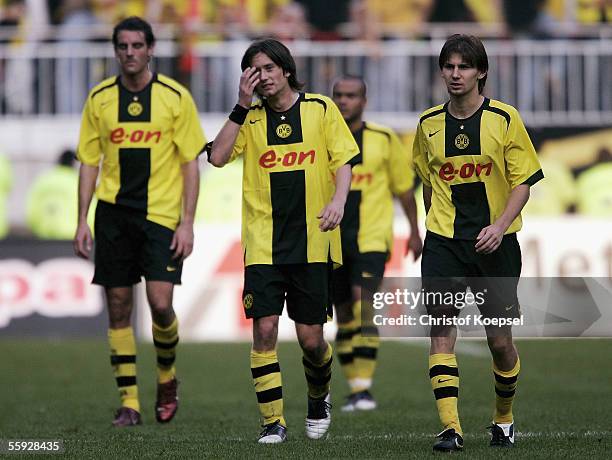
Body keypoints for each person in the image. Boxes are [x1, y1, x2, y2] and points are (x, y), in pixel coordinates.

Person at [208, 38, 359, 443]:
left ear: (286, 70)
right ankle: (273, 421)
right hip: (263, 243)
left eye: (270, 68)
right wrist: (240, 104)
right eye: (255, 71)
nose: (264, 77)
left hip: (313, 240)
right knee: (264, 330)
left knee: (312, 341)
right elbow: (218, 157)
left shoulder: (320, 109)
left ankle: (318, 394)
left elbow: (343, 160)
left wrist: (339, 200)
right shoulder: (250, 118)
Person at [73, 16, 206, 427]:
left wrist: (187, 222)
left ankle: (166, 378)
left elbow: (190, 163)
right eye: (123, 46)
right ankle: (129, 402)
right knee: (117, 306)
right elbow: (89, 163)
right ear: (115, 51)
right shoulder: (99, 99)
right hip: (112, 214)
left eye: (137, 46)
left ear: (150, 49)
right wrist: (81, 220)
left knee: (161, 305)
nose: (130, 53)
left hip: (161, 215)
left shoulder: (174, 97)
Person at [412, 34, 543, 452]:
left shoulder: (504, 119)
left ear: (480, 72)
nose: (455, 74)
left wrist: (500, 225)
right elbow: (428, 182)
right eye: (448, 66)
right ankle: (450, 428)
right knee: (441, 331)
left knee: (499, 341)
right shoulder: (428, 124)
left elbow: (523, 183)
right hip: (444, 242)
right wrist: (432, 228)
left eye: (463, 66)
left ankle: (503, 418)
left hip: (496, 243)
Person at [331, 75, 422, 411]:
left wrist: (414, 231)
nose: (344, 101)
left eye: (351, 95)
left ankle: (365, 386)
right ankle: (355, 387)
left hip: (372, 237)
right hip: (330, 240)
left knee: (363, 304)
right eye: (338, 95)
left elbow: (404, 190)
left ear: (364, 101)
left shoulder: (383, 139)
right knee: (342, 316)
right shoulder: (321, 137)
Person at [26, 149, 96, 239]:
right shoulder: (80, 183)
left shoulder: (43, 180)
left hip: (44, 236)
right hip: (71, 237)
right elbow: (91, 210)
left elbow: (32, 209)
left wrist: (37, 229)